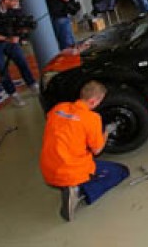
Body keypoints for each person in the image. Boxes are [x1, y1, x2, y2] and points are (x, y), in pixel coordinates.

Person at [40, 80, 130, 222]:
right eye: (100, 101)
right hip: (70, 170)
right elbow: (97, 150)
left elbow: (66, 129)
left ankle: (73, 185)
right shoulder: (92, 119)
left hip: (48, 168)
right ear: (93, 101)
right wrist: (106, 131)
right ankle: (79, 191)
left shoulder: (59, 108)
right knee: (121, 171)